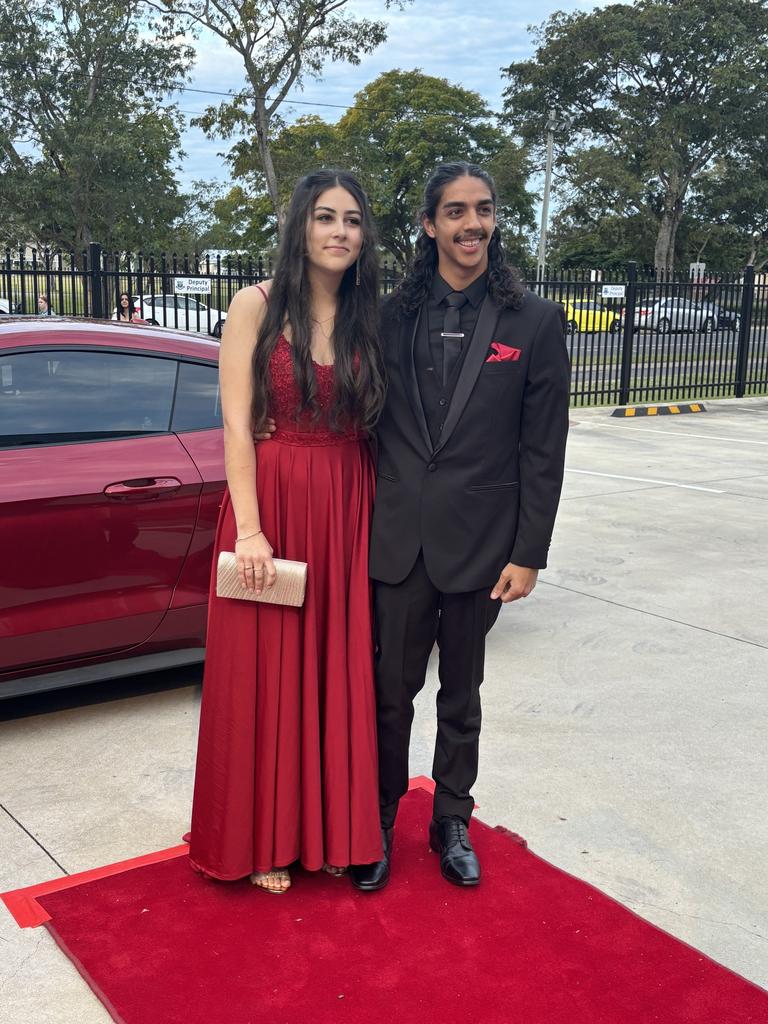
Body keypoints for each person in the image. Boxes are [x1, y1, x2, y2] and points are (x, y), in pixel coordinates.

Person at [350, 162, 571, 892]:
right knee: (390, 692)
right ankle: (377, 818)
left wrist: (529, 551)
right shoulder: (386, 317)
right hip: (399, 540)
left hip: (482, 546)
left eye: (483, 210)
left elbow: (544, 446)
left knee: (462, 695)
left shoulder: (534, 322)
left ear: (495, 220)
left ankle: (451, 820)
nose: (471, 224)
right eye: (455, 212)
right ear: (429, 225)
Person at [189, 169, 386, 894]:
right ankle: (263, 837)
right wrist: (250, 531)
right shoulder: (256, 305)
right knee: (267, 673)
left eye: (353, 221)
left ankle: (328, 831)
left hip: (348, 502)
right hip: (272, 502)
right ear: (300, 226)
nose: (340, 232)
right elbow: (237, 425)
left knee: (335, 671)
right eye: (327, 217)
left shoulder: (370, 314)